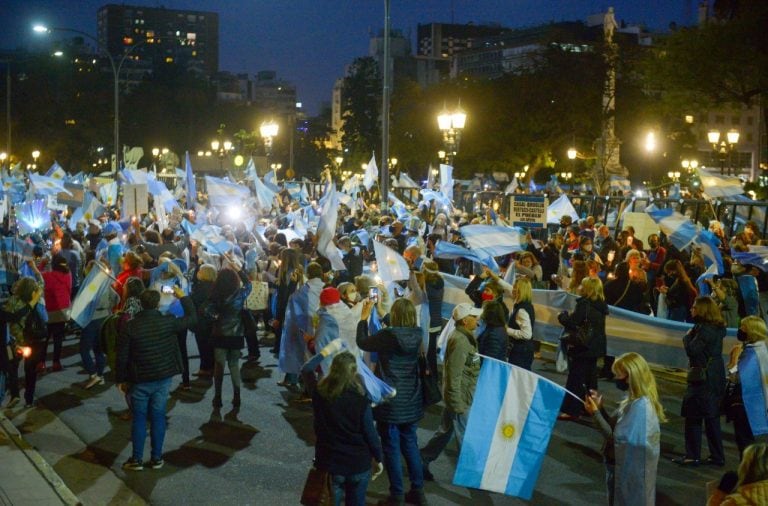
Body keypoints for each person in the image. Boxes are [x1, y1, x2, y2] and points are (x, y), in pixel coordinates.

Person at [116, 286, 197, 471]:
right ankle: (156, 458)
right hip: (162, 376)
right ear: (158, 304)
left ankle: (136, 459)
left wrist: (120, 379)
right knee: (158, 416)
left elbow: (122, 356)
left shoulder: (130, 326)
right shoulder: (168, 322)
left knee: (139, 418)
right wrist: (183, 297)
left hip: (140, 378)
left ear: (141, 304)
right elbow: (193, 318)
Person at [356, 298, 426, 506]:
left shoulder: (388, 335)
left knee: (391, 447)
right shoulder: (418, 334)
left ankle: (396, 494)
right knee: (411, 444)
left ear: (395, 315)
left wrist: (363, 319)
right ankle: (418, 491)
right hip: (412, 397)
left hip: (391, 397)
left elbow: (363, 342)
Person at [585, 352, 666, 506]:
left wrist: (595, 413)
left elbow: (616, 439)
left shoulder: (641, 407)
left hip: (624, 468)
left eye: (618, 374)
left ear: (629, 376)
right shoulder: (634, 400)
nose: (615, 378)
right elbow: (616, 428)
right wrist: (600, 409)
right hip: (620, 466)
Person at [311, 352, 384, 506]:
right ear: (353, 373)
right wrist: (378, 458)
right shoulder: (361, 401)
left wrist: (325, 352)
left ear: (333, 369)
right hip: (358, 463)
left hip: (331, 462)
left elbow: (306, 369)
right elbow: (370, 434)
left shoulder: (320, 395)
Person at [421, 303, 481, 484]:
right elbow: (453, 375)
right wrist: (457, 403)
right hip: (460, 397)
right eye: (474, 317)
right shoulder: (462, 341)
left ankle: (422, 459)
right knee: (465, 435)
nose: (477, 321)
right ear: (465, 320)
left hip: (461, 394)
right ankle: (472, 474)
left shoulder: (465, 337)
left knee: (445, 431)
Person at [674, 296, 727, 466]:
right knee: (711, 416)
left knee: (693, 414)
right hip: (715, 375)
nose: (691, 309)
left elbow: (692, 350)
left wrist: (687, 337)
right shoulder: (717, 328)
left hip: (702, 377)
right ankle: (717, 455)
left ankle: (692, 455)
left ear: (702, 310)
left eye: (695, 307)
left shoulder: (704, 330)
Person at [558, 277, 609, 420]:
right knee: (590, 379)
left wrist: (562, 317)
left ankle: (571, 410)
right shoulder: (601, 305)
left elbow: (573, 323)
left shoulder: (584, 305)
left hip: (583, 346)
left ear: (587, 288)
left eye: (582, 284)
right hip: (596, 346)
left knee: (576, 378)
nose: (580, 286)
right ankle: (590, 408)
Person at [207, 262, 251, 408]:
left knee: (219, 366)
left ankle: (217, 397)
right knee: (234, 364)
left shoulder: (215, 293)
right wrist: (238, 269)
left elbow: (207, 310)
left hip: (219, 333)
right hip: (236, 333)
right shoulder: (240, 294)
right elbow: (249, 284)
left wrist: (215, 317)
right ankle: (236, 395)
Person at [722, 316, 766, 456]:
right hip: (755, 407)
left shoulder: (753, 355)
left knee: (746, 446)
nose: (739, 330)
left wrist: (734, 362)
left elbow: (736, 379)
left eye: (743, 327)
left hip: (748, 408)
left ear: (752, 331)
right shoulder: (759, 349)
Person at [2, 277, 44, 408]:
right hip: (32, 340)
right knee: (30, 373)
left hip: (16, 342)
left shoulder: (12, 301)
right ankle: (29, 400)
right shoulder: (36, 302)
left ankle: (14, 394)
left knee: (11, 368)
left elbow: (8, 318)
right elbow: (44, 319)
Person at [40, 254, 72, 372]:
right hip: (62, 310)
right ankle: (56, 363)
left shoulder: (47, 276)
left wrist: (43, 264)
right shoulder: (68, 275)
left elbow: (36, 275)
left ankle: (41, 363)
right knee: (58, 338)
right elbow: (69, 289)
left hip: (49, 310)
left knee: (45, 338)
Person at [190, 264, 217, 378]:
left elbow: (193, 303)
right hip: (213, 320)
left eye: (200, 271)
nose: (197, 273)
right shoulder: (216, 286)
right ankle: (213, 367)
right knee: (211, 346)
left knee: (203, 346)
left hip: (201, 321)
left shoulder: (199, 287)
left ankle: (205, 368)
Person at [505, 276, 536, 370]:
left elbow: (527, 335)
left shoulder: (521, 310)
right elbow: (506, 287)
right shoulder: (526, 305)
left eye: (515, 288)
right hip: (523, 350)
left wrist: (506, 330)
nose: (513, 290)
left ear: (521, 291)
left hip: (521, 352)